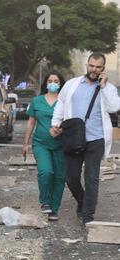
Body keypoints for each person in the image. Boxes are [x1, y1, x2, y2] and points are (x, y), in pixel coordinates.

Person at [50, 52, 120, 225]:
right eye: (91, 65)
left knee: (91, 178)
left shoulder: (108, 89)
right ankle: (82, 201)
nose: (94, 69)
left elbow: (114, 108)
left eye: (98, 67)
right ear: (87, 65)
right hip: (74, 138)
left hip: (96, 139)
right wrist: (55, 123)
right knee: (71, 178)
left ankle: (88, 216)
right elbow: (61, 103)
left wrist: (103, 86)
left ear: (103, 69)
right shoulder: (72, 84)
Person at [23, 71, 66, 221]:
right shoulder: (37, 101)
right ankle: (45, 202)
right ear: (46, 83)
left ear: (60, 84)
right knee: (46, 172)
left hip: (61, 145)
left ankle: (54, 209)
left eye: (56, 81)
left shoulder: (65, 101)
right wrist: (26, 143)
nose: (53, 83)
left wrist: (61, 129)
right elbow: (31, 122)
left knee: (60, 177)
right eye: (50, 81)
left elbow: (73, 121)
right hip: (41, 144)